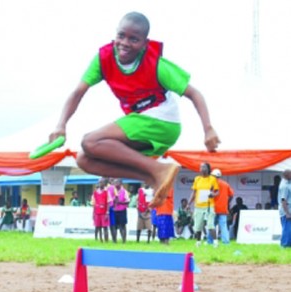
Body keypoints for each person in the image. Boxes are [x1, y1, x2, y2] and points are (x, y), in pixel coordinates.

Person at [48, 11, 220, 209]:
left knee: (90, 141)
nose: (125, 43)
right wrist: (61, 125)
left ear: (145, 43)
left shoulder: (156, 65)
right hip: (141, 120)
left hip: (162, 120)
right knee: (84, 160)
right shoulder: (104, 60)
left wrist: (208, 129)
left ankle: (159, 169)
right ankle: (152, 175)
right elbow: (78, 92)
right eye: (121, 36)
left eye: (134, 39)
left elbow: (195, 94)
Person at [188, 163, 219, 247]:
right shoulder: (197, 179)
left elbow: (217, 191)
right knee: (197, 226)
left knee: (210, 224)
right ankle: (198, 241)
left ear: (208, 169)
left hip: (209, 205)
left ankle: (215, 242)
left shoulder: (212, 179)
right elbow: (194, 192)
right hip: (198, 206)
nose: (202, 168)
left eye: (204, 167)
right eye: (201, 167)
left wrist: (213, 194)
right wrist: (189, 203)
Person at [210, 169, 234, 244]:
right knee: (223, 226)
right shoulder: (226, 184)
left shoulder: (212, 184)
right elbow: (231, 195)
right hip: (223, 209)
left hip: (213, 208)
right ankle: (226, 241)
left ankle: (210, 241)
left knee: (211, 225)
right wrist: (227, 202)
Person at [113, 179, 130, 243]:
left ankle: (124, 240)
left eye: (117, 182)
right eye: (115, 183)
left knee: (122, 225)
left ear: (121, 183)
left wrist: (120, 202)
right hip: (115, 210)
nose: (116, 184)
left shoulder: (124, 191)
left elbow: (128, 201)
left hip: (122, 210)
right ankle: (115, 241)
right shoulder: (113, 191)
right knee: (114, 226)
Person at [277, 169, 291, 248]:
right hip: (286, 211)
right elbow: (283, 200)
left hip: (289, 209)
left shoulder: (288, 183)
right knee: (287, 229)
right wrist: (287, 213)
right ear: (287, 175)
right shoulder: (284, 186)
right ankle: (284, 245)